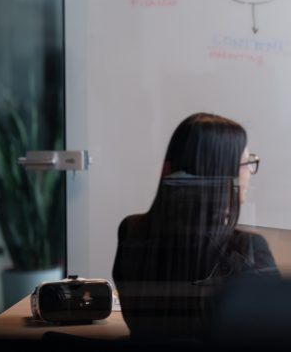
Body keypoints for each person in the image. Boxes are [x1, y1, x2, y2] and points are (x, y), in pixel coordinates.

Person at [112, 112, 278, 341]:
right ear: (220, 172)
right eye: (246, 163)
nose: (249, 172)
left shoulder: (132, 231)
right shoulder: (245, 249)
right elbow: (275, 333)